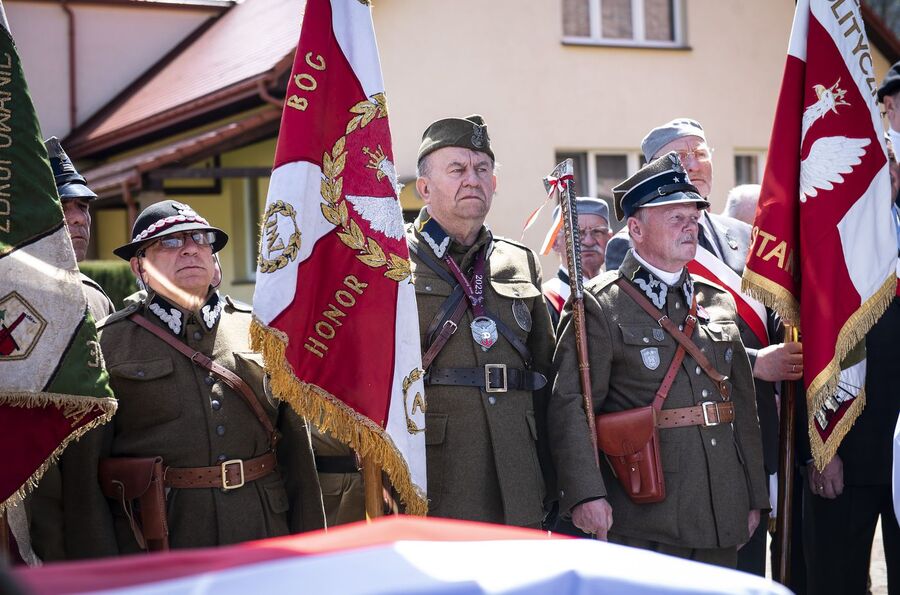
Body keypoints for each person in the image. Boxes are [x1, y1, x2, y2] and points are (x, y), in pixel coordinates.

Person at [60, 200, 324, 558]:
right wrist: (101, 571)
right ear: (140, 266)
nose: (189, 249)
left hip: (262, 528)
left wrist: (311, 550)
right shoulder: (109, 342)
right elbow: (83, 479)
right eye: (169, 242)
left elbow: (298, 456)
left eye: (200, 239)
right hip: (162, 538)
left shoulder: (261, 331)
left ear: (214, 264)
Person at [550, 152, 768, 568]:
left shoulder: (717, 301)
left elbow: (742, 405)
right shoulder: (599, 305)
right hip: (645, 512)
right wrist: (585, 493)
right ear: (635, 228)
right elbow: (571, 408)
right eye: (675, 218)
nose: (690, 227)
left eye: (693, 217)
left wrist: (753, 494)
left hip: (721, 505)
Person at [606, 118, 801, 576]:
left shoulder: (744, 234)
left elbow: (769, 313)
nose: (693, 164)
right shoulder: (626, 243)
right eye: (679, 156)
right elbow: (662, 339)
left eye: (701, 152)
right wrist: (756, 363)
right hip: (684, 446)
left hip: (758, 426)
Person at [407, 114, 563, 527]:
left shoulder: (520, 261)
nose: (472, 179)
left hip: (519, 470)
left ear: (495, 183)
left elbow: (551, 380)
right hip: (437, 471)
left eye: (482, 169)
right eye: (457, 170)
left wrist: (571, 482)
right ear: (424, 188)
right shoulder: (390, 264)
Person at [800, 95, 900, 593]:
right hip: (846, 447)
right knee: (836, 581)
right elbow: (811, 346)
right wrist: (822, 450)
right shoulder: (831, 245)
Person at [20, 139, 116, 565]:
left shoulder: (98, 299)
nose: (79, 219)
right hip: (25, 478)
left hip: (91, 478)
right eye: (65, 206)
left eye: (85, 208)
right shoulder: (10, 294)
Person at [542, 197, 612, 328]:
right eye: (577, 233)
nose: (588, 241)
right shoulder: (545, 301)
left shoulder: (619, 294)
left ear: (609, 238)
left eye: (597, 232)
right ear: (555, 243)